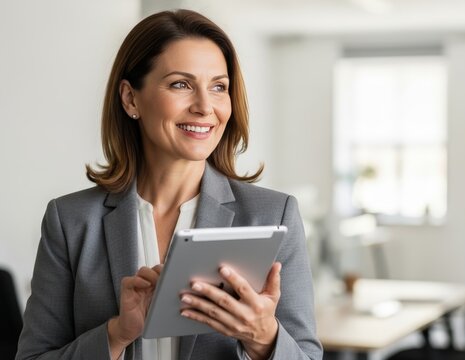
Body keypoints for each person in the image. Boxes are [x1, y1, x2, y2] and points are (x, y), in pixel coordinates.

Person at [16, 9, 322, 360]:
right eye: (181, 84)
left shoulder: (273, 215)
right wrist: (116, 334)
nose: (205, 106)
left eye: (219, 87)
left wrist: (263, 338)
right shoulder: (70, 220)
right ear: (131, 98)